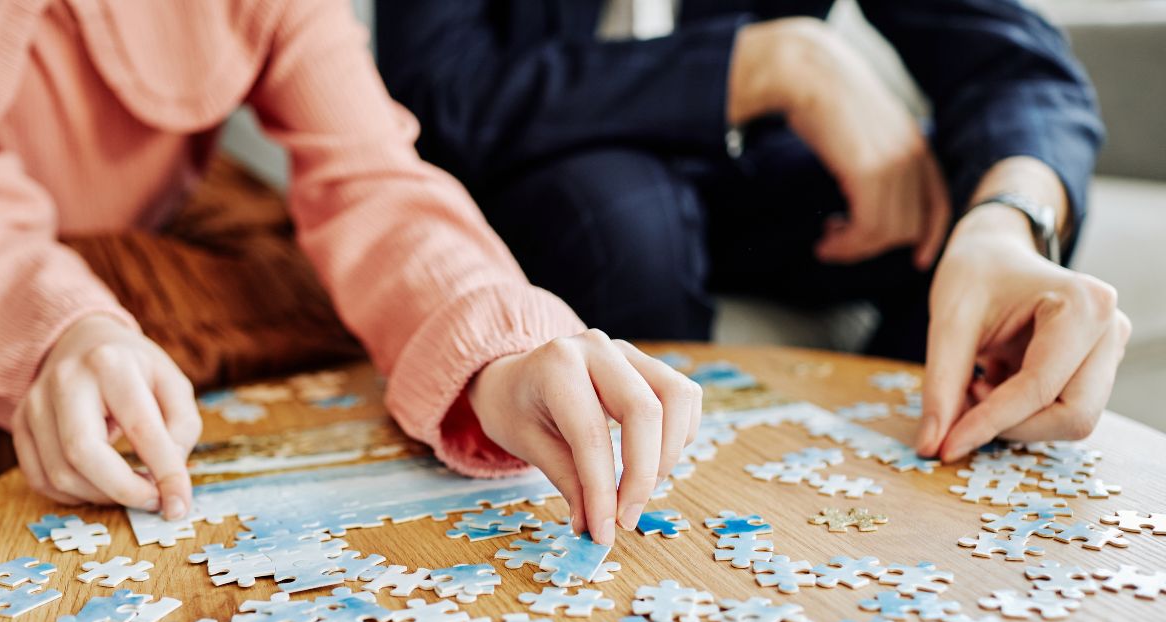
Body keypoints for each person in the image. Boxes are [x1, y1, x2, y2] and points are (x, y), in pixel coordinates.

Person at [0, 1, 704, 622]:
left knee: (312, 383)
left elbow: (371, 178)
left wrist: (499, 352)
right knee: (57, 447)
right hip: (3, 271)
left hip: (179, 231)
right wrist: (60, 332)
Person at [376, 0, 1131, 462]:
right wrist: (760, 63)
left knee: (947, 205)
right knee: (624, 223)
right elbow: (438, 91)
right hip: (542, 171)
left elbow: (1020, 68)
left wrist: (1006, 220)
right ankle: (640, 499)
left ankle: (903, 471)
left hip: (744, 168)